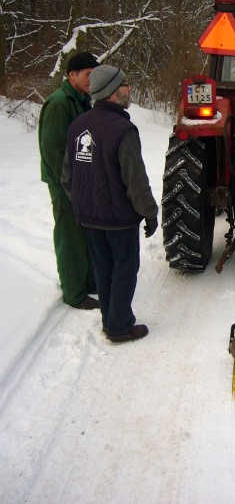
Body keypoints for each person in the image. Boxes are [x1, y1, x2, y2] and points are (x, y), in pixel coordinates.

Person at [61, 65, 158, 343]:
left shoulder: (78, 126)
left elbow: (67, 177)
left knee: (104, 270)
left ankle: (110, 319)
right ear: (114, 93)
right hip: (120, 220)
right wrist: (149, 213)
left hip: (90, 219)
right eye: (125, 85)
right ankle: (119, 327)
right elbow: (135, 181)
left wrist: (85, 204)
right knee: (124, 270)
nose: (129, 89)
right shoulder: (122, 130)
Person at [38, 51, 99, 310]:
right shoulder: (60, 103)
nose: (91, 80)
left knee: (84, 233)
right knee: (70, 235)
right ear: (72, 75)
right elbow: (53, 150)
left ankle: (87, 281)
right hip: (65, 184)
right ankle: (73, 293)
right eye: (87, 75)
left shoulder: (82, 100)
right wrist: (71, 185)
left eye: (94, 75)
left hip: (80, 181)